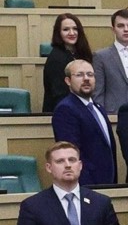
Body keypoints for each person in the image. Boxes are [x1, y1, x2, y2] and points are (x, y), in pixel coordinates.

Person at [49, 58, 118, 188]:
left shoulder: (98, 108)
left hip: (107, 182)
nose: (86, 79)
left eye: (90, 75)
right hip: (87, 185)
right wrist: (86, 186)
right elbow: (71, 153)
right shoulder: (66, 109)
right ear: (68, 81)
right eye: (79, 75)